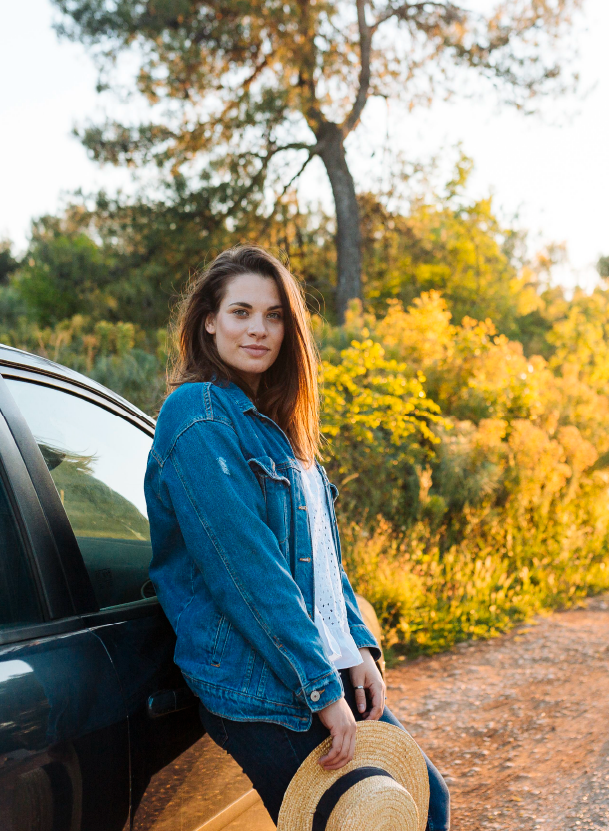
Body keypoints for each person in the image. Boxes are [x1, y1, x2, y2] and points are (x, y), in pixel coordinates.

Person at [144, 245, 450, 829]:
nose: (259, 329)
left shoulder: (279, 428)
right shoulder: (198, 415)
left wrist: (356, 646)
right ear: (208, 321)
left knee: (424, 802)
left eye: (275, 314)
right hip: (267, 683)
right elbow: (248, 571)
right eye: (241, 312)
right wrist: (321, 690)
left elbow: (318, 561)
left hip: (319, 666)